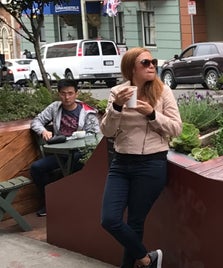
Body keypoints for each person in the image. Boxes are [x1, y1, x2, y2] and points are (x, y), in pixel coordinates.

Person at [99, 47, 182, 268]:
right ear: (131, 69)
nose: (152, 65)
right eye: (145, 63)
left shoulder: (163, 92)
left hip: (151, 164)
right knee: (110, 219)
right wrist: (116, 107)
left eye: (153, 61)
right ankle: (147, 259)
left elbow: (176, 128)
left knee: (135, 222)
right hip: (121, 163)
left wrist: (152, 114)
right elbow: (107, 132)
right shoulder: (118, 92)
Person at [30, 79, 100, 217]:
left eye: (70, 93)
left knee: (75, 163)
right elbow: (36, 121)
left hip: (79, 152)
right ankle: (50, 201)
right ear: (58, 94)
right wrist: (43, 131)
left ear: (76, 94)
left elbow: (95, 135)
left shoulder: (87, 112)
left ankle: (68, 202)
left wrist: (81, 137)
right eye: (63, 94)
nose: (66, 97)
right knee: (36, 168)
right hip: (59, 153)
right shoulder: (55, 108)